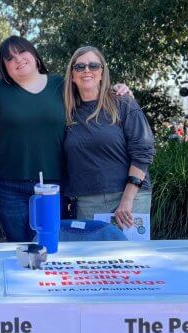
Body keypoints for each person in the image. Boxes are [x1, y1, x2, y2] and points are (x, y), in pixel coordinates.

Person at [0, 35, 130, 242]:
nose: (17, 59)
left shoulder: (62, 85)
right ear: (5, 68)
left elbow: (92, 88)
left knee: (50, 245)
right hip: (8, 186)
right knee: (21, 248)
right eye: (9, 58)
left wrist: (117, 88)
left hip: (52, 186)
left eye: (22, 52)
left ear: (35, 56)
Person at [63, 46, 154, 229]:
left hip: (131, 197)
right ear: (72, 75)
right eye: (79, 67)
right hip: (87, 201)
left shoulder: (123, 103)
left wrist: (127, 200)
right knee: (91, 257)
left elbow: (143, 151)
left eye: (94, 65)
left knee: (130, 256)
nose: (87, 70)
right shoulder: (66, 111)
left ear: (102, 73)